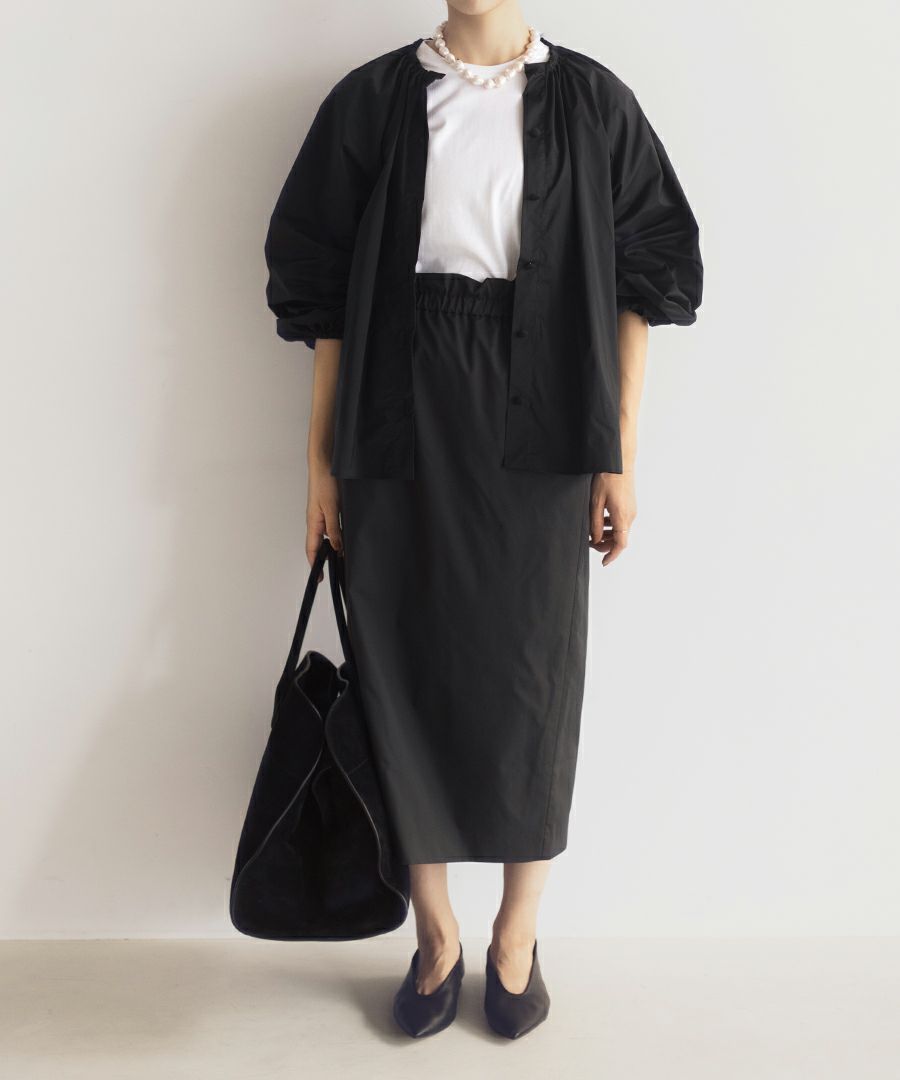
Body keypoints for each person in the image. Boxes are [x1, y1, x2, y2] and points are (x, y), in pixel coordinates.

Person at [263, 3, 702, 1040]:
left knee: (532, 678)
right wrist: (319, 461)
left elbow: (647, 275)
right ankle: (434, 935)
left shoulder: (595, 104)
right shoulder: (373, 101)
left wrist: (618, 451)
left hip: (544, 413)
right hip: (394, 410)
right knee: (399, 664)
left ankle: (516, 935)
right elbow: (323, 299)